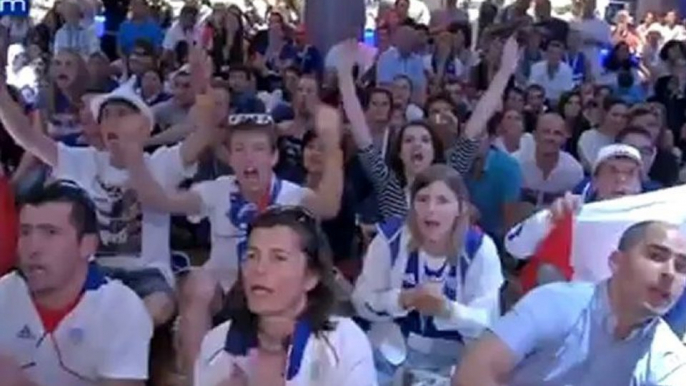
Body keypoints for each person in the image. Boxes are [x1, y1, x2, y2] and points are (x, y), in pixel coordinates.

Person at [123, 106, 344, 375]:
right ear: (229, 157)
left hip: (275, 292)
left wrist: (332, 146)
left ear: (274, 157)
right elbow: (161, 201)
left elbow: (329, 205)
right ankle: (198, 378)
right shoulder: (217, 190)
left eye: (258, 148)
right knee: (197, 283)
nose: (248, 157)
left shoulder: (292, 195)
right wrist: (134, 158)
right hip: (224, 290)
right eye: (239, 149)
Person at [453, 220, 686, 386]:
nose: (670, 274)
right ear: (616, 262)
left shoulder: (667, 355)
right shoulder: (555, 304)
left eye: (682, 267)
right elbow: (473, 374)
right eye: (656, 256)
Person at [353, 164, 503, 385]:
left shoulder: (479, 249)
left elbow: (488, 323)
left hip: (454, 361)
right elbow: (361, 301)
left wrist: (447, 310)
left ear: (460, 207)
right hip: (390, 351)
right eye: (422, 199)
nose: (431, 209)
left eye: (442, 201)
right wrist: (400, 299)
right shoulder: (390, 240)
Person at [194, 206, 376, 386]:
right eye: (251, 255)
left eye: (278, 258)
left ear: (311, 277)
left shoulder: (344, 343)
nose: (259, 269)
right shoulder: (216, 344)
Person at [0, 182, 152, 386]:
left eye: (50, 233)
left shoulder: (121, 308)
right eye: (25, 232)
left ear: (87, 245)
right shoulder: (4, 294)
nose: (33, 248)